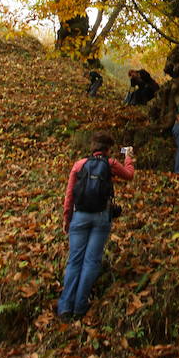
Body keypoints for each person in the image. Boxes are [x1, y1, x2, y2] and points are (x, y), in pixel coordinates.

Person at [58, 132, 135, 319]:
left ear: (93, 147)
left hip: (80, 216)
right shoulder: (110, 164)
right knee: (91, 261)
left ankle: (65, 307)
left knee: (75, 260)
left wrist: (67, 218)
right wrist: (129, 159)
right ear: (108, 149)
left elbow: (70, 194)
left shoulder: (79, 164)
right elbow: (129, 176)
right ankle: (80, 306)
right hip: (101, 217)